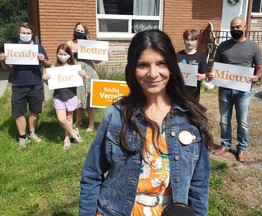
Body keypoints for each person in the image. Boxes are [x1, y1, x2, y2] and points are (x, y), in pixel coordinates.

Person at [79, 29, 213, 216]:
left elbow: (199, 184)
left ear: (172, 68)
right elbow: (92, 174)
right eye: (143, 65)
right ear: (133, 69)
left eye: (161, 63)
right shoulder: (116, 115)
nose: (153, 73)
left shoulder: (191, 118)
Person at [209, 17, 262, 162]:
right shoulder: (223, 46)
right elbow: (216, 66)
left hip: (243, 91)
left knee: (243, 121)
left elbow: (260, 68)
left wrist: (257, 77)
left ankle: (242, 148)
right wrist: (213, 74)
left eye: (238, 27)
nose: (235, 30)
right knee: (224, 120)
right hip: (225, 89)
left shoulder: (254, 47)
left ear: (245, 27)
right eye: (232, 27)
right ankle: (225, 145)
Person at [0, 22, 51, 148]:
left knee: (34, 110)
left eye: (28, 33)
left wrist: (43, 59)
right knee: (18, 112)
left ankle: (32, 133)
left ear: (32, 34)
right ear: (19, 33)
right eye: (23, 33)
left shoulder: (38, 47)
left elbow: (48, 64)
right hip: (18, 84)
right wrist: (2, 60)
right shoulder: (13, 48)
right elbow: (7, 67)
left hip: (36, 84)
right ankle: (22, 137)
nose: (25, 35)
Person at [42, 44, 86, 150]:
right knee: (61, 119)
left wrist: (84, 76)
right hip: (58, 97)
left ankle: (67, 137)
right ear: (57, 55)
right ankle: (74, 133)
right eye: (60, 54)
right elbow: (51, 84)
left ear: (69, 55)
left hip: (71, 96)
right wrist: (44, 79)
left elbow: (81, 82)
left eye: (65, 54)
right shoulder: (54, 68)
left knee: (69, 117)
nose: (62, 56)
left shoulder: (74, 68)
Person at [67, 22, 99, 132]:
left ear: (85, 32)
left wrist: (103, 55)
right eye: (78, 30)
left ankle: (91, 125)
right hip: (75, 71)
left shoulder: (90, 44)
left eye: (81, 31)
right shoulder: (70, 43)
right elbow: (65, 57)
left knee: (89, 98)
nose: (79, 32)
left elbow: (96, 61)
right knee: (77, 97)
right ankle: (78, 121)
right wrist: (72, 51)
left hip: (89, 72)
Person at [176, 28, 208, 102]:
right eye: (187, 39)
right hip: (179, 92)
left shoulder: (201, 56)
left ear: (196, 41)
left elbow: (205, 73)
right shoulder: (177, 56)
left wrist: (203, 76)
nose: (189, 42)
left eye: (192, 40)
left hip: (194, 93)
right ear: (184, 40)